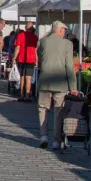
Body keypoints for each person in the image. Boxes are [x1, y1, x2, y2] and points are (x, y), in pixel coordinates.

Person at [36, 21, 78, 149]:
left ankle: (43, 136)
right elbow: (69, 66)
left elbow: (40, 61)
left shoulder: (42, 42)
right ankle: (56, 140)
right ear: (59, 30)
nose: (64, 33)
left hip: (45, 81)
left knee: (43, 109)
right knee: (58, 111)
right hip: (61, 83)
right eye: (64, 30)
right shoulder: (67, 44)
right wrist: (73, 87)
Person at [13, 23, 38, 102]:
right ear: (32, 28)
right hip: (31, 59)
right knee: (29, 77)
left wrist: (14, 58)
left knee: (22, 77)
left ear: (25, 27)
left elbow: (17, 47)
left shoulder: (20, 35)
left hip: (21, 59)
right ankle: (27, 95)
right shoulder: (35, 37)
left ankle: (22, 95)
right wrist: (37, 60)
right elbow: (36, 50)